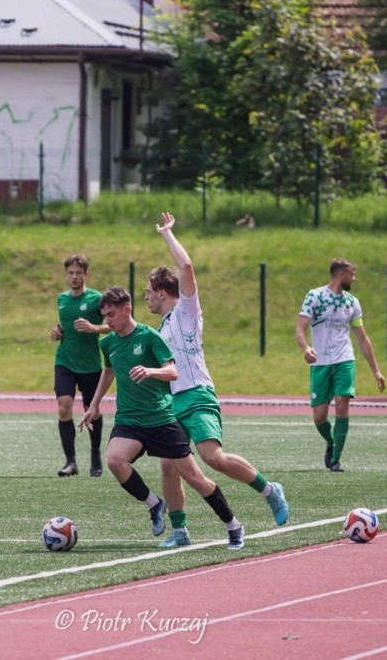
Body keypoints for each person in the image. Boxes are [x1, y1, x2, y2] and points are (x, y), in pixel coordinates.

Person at [144, 212, 289, 549]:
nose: (146, 297)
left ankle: (269, 489)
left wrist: (167, 234)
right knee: (168, 465)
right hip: (173, 402)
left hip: (197, 394)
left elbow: (186, 267)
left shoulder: (186, 311)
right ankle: (180, 531)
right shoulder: (160, 329)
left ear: (163, 293)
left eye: (148, 292)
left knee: (212, 457)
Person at [79, 286, 245, 550]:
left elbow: (172, 372)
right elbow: (108, 372)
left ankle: (233, 525)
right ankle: (155, 504)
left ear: (127, 309)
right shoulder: (107, 342)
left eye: (111, 315)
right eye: (104, 316)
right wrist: (94, 404)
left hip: (160, 419)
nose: (107, 321)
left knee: (195, 479)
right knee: (115, 461)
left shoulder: (149, 337)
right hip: (129, 419)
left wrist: (150, 371)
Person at [295, 257, 386, 472]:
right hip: (321, 363)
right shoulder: (315, 296)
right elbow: (300, 328)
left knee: (342, 405)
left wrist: (376, 370)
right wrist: (306, 348)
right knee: (319, 417)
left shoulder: (352, 302)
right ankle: (331, 442)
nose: (354, 278)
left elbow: (362, 339)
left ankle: (335, 459)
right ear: (340, 274)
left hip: (345, 360)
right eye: (352, 274)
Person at [50, 254, 110, 477]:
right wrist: (58, 333)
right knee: (64, 406)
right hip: (65, 360)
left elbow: (113, 325)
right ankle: (71, 462)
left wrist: (94, 328)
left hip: (90, 364)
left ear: (86, 274)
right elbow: (65, 327)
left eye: (78, 273)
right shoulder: (62, 299)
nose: (74, 277)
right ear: (66, 275)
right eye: (70, 273)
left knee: (91, 411)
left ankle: (95, 453)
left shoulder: (97, 299)